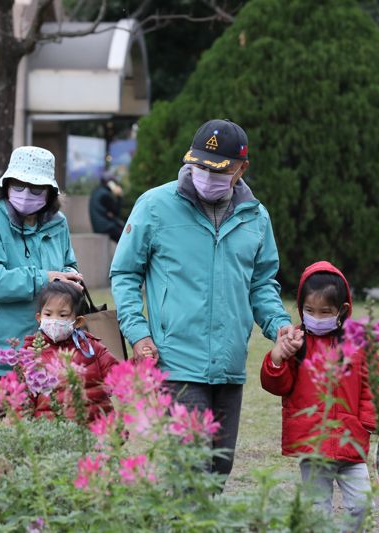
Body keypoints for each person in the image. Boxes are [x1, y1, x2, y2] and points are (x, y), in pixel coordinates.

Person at [110, 118, 295, 478]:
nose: (206, 176)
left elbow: (261, 283)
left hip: (228, 365)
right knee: (190, 468)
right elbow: (125, 272)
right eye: (199, 166)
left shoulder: (255, 217)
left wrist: (279, 326)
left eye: (218, 170)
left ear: (241, 169)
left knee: (218, 468)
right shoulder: (154, 206)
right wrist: (138, 332)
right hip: (176, 360)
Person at [260, 261, 379, 531]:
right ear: (300, 308)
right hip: (313, 446)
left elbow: (374, 382)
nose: (316, 317)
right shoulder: (297, 342)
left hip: (350, 441)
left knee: (362, 505)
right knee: (316, 509)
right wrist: (277, 358)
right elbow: (278, 385)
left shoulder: (358, 343)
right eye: (309, 311)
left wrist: (366, 422)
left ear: (343, 311)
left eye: (325, 312)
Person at [0, 146, 84, 376]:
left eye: (35, 188)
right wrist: (46, 278)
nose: (25, 194)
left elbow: (68, 262)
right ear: (6, 185)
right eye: (18, 185)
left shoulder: (58, 222)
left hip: (40, 349)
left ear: (49, 192)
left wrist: (69, 277)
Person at [23, 280, 119, 421]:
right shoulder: (32, 352)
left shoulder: (91, 348)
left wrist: (139, 364)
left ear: (78, 322)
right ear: (39, 318)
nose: (54, 320)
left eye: (62, 315)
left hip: (94, 427)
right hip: (53, 434)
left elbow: (119, 375)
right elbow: (23, 399)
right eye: (48, 315)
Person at [88, 173, 125, 242]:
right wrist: (119, 196)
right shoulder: (105, 194)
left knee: (122, 228)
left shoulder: (97, 191)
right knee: (126, 238)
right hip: (106, 227)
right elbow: (116, 212)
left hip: (100, 226)